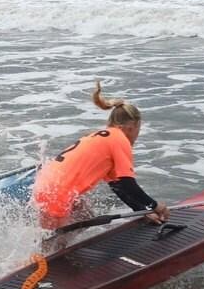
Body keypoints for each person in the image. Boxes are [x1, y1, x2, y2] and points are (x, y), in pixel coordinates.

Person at [32, 81, 169, 233]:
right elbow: (128, 182)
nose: (137, 136)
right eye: (139, 130)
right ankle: (50, 256)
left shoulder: (105, 138)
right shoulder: (119, 138)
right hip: (57, 191)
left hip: (47, 183)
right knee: (55, 243)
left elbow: (119, 186)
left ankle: (65, 252)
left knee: (86, 217)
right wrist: (155, 206)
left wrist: (143, 210)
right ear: (132, 126)